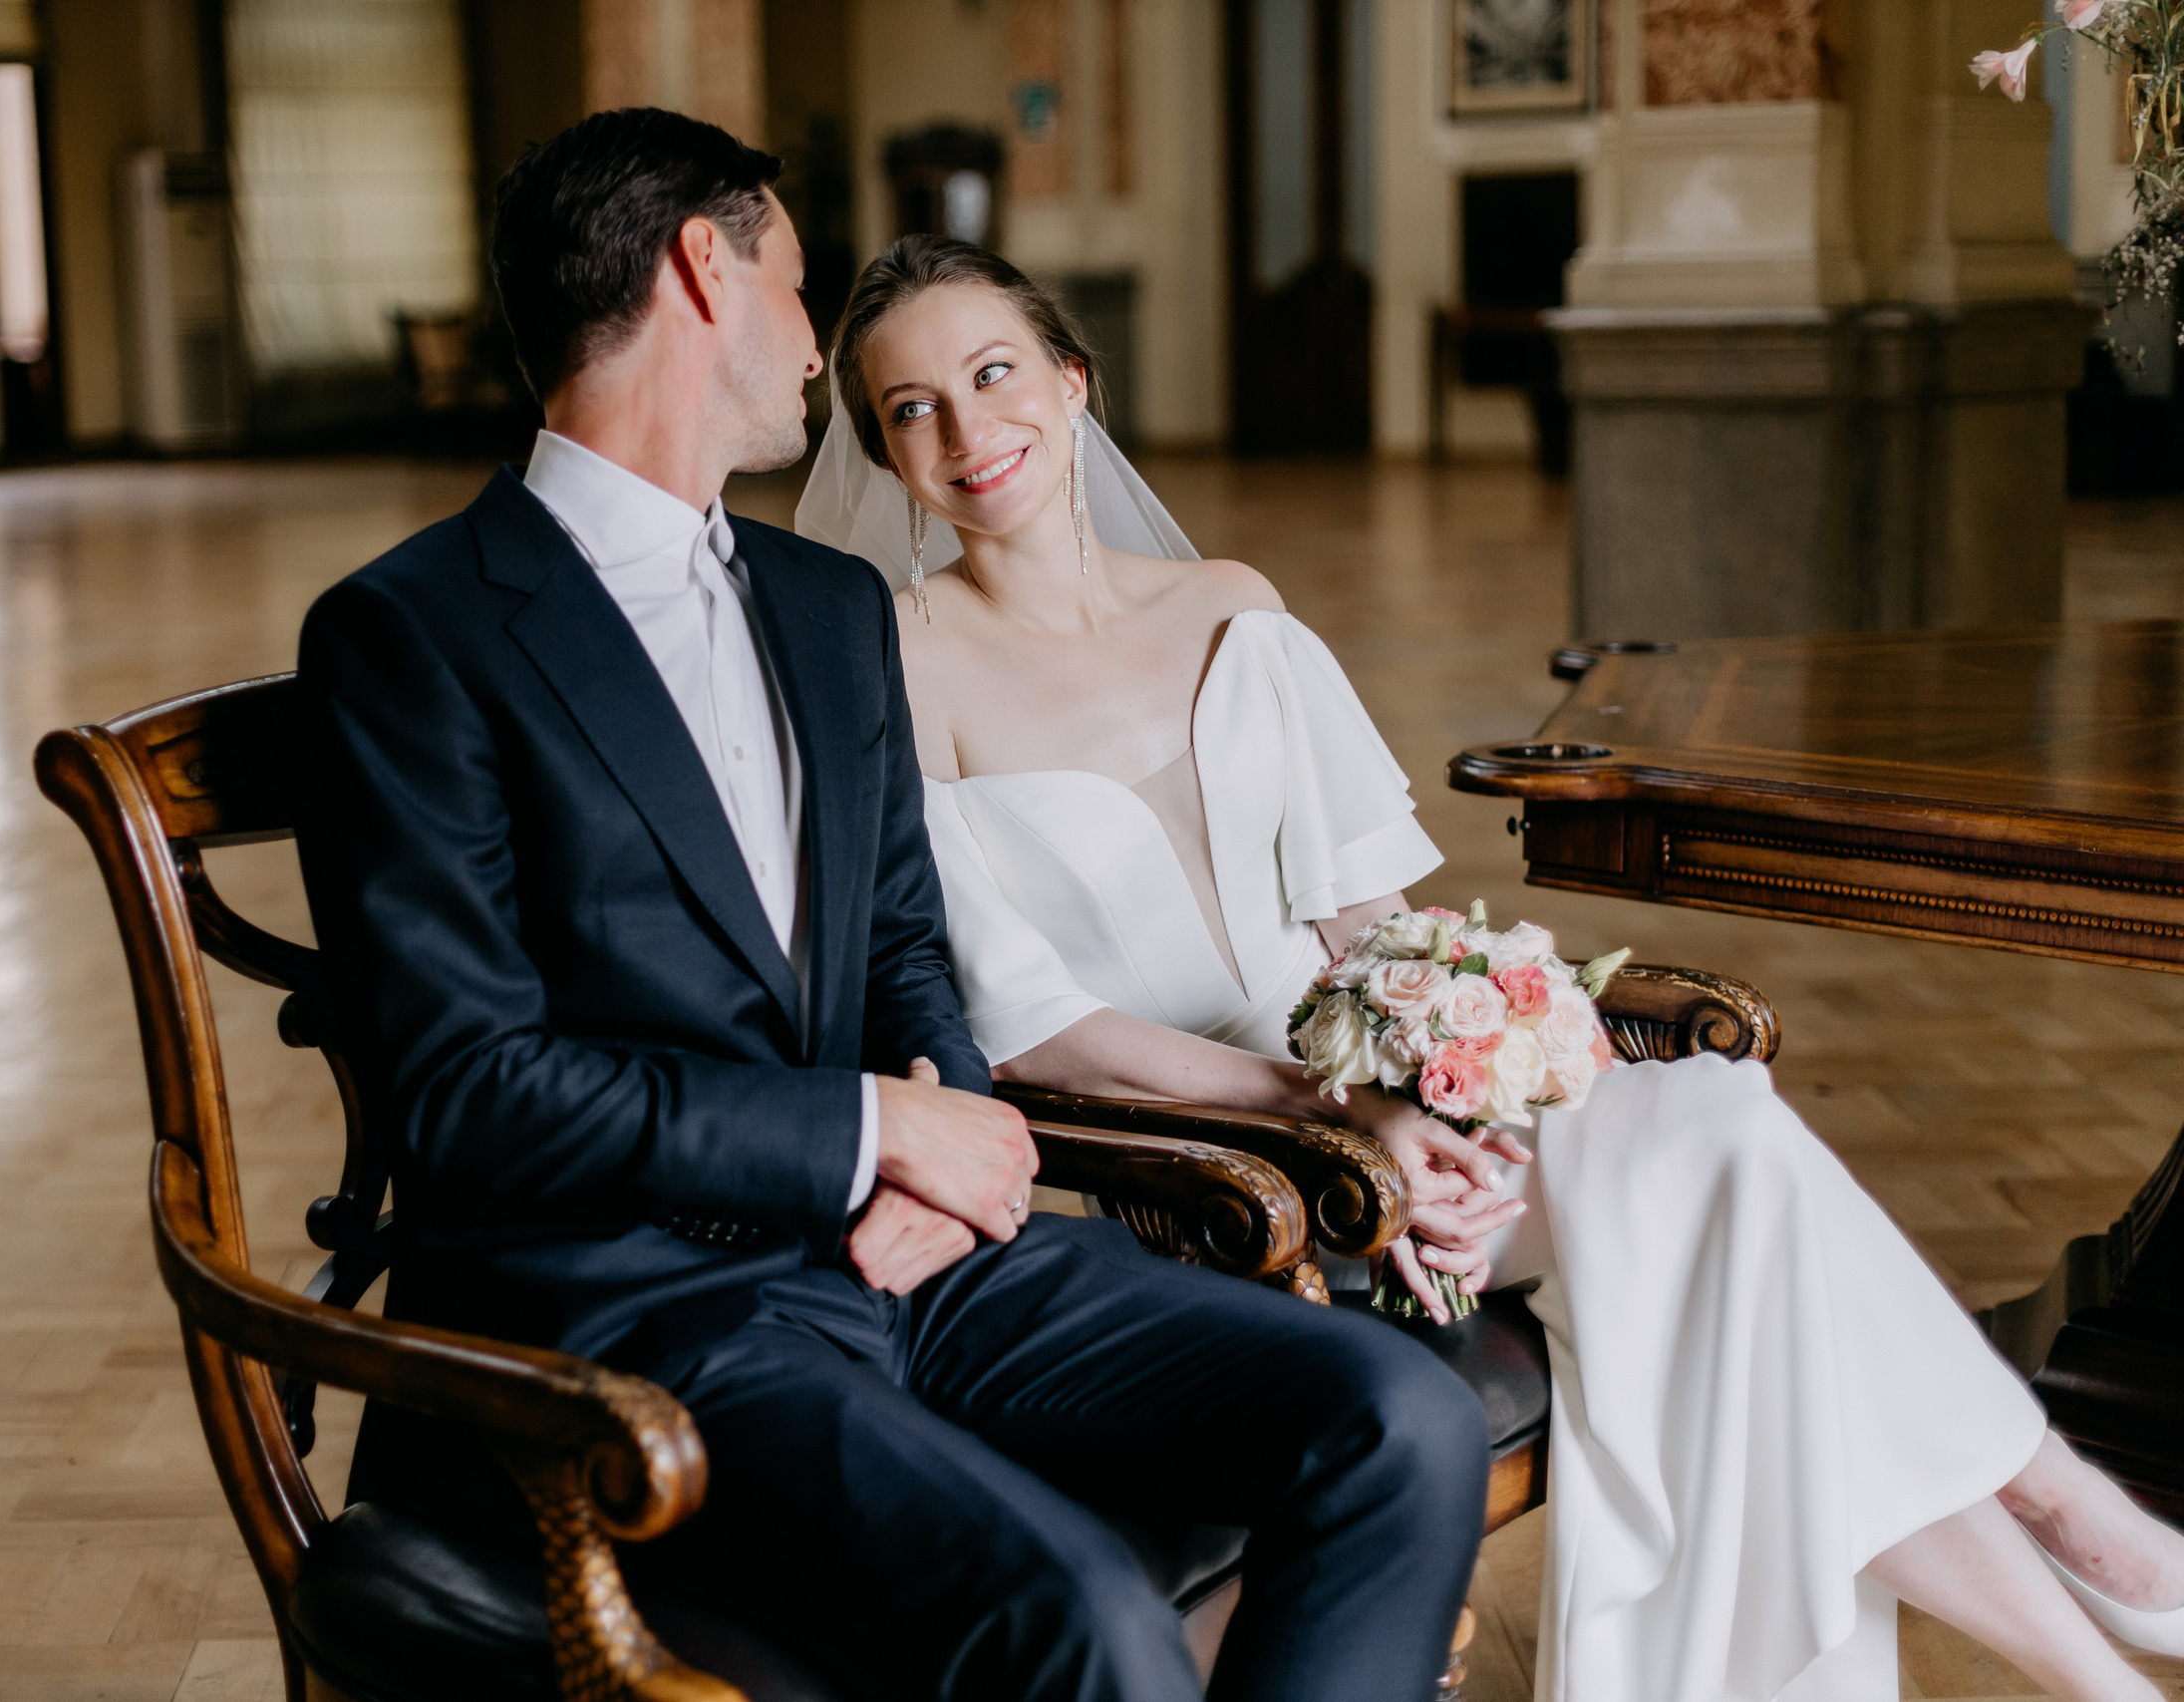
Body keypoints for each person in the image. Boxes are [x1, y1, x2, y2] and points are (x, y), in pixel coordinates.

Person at [795, 232, 2184, 1702]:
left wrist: (1448, 1068)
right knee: (1723, 1172)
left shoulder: (1228, 605)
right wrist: (1327, 1116)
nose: (966, 428)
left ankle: (2097, 1648)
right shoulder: (895, 669)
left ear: (1074, 381)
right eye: (911, 408)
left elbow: (1372, 927)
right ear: (884, 456)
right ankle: (2080, 1533)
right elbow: (1034, 1031)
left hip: (1395, 1112)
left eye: (993, 372)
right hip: (1214, 1179)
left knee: (1718, 1158)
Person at [293, 111, 1491, 1702]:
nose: (816, 347)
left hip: (921, 1265)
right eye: (797, 287)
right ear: (704, 269)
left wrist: (952, 1132)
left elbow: (906, 948)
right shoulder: (412, 632)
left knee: (1400, 1420)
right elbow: (468, 1094)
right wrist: (867, 1131)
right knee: (1086, 1618)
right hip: (637, 1320)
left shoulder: (826, 603)